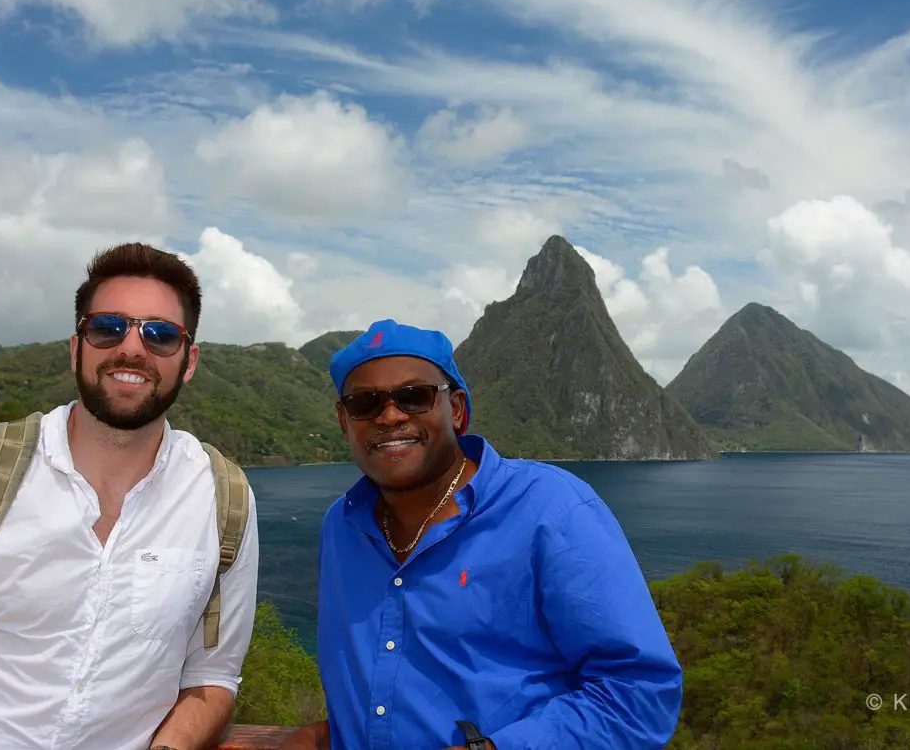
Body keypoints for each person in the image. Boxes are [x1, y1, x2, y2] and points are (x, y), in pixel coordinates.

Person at [282, 319, 683, 750]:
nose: (391, 415)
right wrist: (331, 733)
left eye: (413, 397)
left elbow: (638, 693)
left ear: (455, 409)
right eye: (366, 403)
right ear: (345, 421)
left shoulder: (551, 509)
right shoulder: (341, 528)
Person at [0, 242, 260, 750]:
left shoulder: (224, 499)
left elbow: (213, 677)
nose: (132, 349)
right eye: (109, 327)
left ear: (189, 360)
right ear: (76, 347)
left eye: (160, 334)